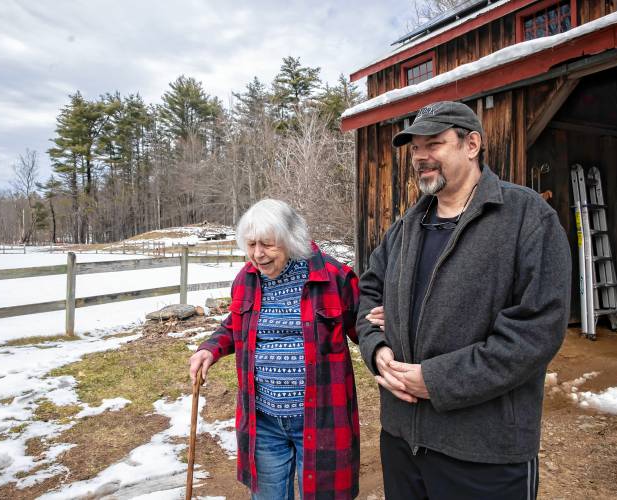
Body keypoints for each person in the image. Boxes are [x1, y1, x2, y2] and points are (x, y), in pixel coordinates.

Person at [357, 101, 571, 499]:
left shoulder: (526, 217)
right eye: (416, 148)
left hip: (484, 452)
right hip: (402, 441)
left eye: (434, 144)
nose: (421, 157)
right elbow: (368, 293)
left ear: (471, 144)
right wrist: (377, 349)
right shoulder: (406, 226)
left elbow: (536, 331)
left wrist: (437, 381)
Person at [189, 199, 360, 500]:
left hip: (321, 419)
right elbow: (236, 323)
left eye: (267, 244)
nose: (257, 254)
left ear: (291, 239)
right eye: (251, 244)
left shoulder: (334, 277)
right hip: (263, 420)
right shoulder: (247, 279)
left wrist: (389, 339)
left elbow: (365, 328)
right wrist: (210, 349)